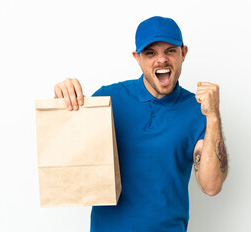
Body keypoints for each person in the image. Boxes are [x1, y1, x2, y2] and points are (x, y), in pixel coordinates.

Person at [54, 16, 228, 232]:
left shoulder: (198, 110)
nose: (161, 60)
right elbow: (69, 158)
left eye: (170, 51)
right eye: (150, 53)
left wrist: (213, 116)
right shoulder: (108, 99)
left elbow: (211, 186)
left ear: (183, 53)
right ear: (137, 57)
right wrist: (64, 102)